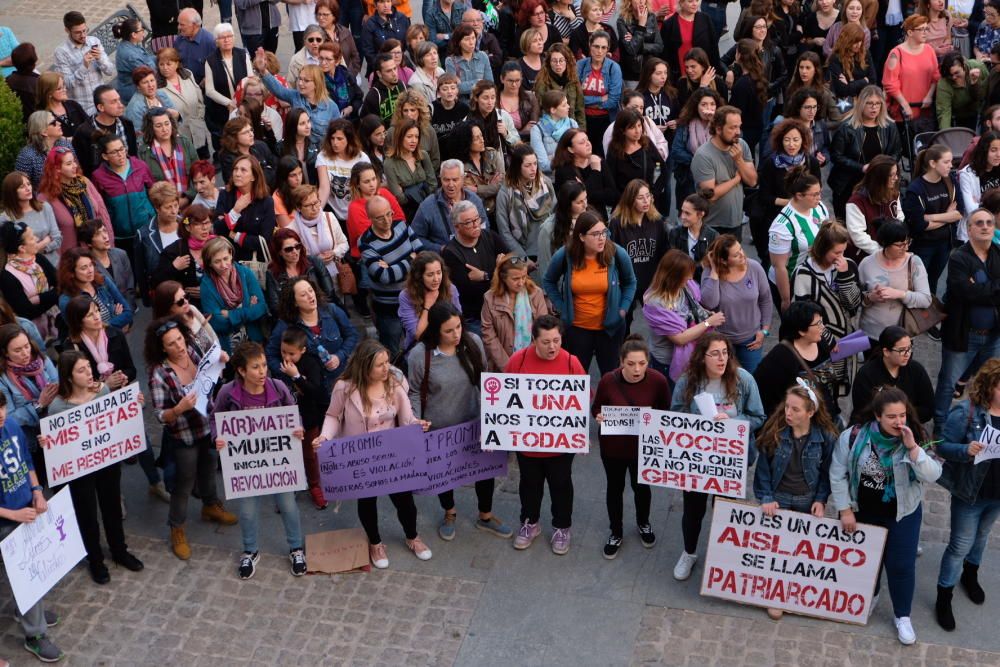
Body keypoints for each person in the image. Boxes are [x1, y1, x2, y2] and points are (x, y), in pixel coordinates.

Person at [831, 386, 941, 645]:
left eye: (902, 415)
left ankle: (902, 615)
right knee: (867, 562)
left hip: (902, 514)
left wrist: (913, 449)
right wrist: (845, 508)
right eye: (891, 416)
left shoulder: (914, 438)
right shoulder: (854, 436)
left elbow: (933, 474)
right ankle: (870, 597)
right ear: (878, 416)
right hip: (863, 511)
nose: (899, 421)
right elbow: (838, 472)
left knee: (901, 566)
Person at [313, 338, 432, 568]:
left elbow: (407, 417)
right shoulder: (344, 388)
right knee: (367, 502)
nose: (386, 368)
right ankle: (375, 543)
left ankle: (413, 536)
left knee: (405, 501)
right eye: (380, 365)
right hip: (361, 459)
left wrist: (418, 424)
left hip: (392, 457)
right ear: (365, 366)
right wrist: (325, 437)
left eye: (387, 362)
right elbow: (333, 416)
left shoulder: (394, 384)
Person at [406, 302, 512, 540]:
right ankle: (450, 512)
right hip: (440, 429)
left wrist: (493, 417)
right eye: (448, 331)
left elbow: (485, 380)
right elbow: (414, 390)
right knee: (444, 475)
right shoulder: (419, 356)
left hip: (475, 424)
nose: (456, 335)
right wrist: (414, 421)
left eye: (458, 328)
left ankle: (485, 515)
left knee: (485, 472)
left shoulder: (473, 342)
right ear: (435, 331)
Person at [44, 349, 145, 584]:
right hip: (80, 471)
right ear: (68, 377)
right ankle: (95, 560)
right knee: (86, 514)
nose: (89, 373)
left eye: (88, 367)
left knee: (111, 507)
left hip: (107, 462)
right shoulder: (58, 408)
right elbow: (58, 442)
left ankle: (119, 550)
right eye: (81, 370)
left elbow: (117, 420)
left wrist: (134, 404)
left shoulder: (103, 391)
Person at [671, 332, 765, 579]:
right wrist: (698, 424)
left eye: (725, 353)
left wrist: (733, 420)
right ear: (702, 358)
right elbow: (675, 416)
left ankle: (724, 558)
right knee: (693, 509)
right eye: (715, 353)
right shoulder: (687, 382)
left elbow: (758, 417)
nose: (721, 358)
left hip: (731, 461)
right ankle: (689, 553)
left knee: (726, 509)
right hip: (697, 460)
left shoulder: (743, 379)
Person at [211, 341, 307, 579]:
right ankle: (250, 551)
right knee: (246, 511)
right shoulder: (227, 393)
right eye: (255, 367)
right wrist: (217, 437)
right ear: (242, 371)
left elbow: (294, 414)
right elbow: (215, 419)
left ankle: (296, 548)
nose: (262, 371)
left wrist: (298, 429)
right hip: (245, 466)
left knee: (288, 506)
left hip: (278, 463)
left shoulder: (278, 387)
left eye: (264, 365)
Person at [147, 317, 238, 561]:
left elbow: (210, 375)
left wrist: (221, 362)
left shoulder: (192, 353)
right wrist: (178, 409)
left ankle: (210, 506)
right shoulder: (159, 374)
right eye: (171, 343)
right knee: (184, 484)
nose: (178, 346)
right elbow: (160, 415)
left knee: (209, 469)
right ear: (163, 348)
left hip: (208, 427)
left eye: (179, 339)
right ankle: (177, 528)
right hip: (184, 436)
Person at [751, 379, 836, 618]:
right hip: (778, 499)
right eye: (787, 407)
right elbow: (763, 470)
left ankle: (796, 593)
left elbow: (827, 472)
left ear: (811, 412)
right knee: (775, 550)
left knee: (800, 553)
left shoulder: (826, 438)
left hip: (806, 500)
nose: (788, 412)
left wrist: (821, 499)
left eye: (795, 409)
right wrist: (766, 497)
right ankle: (774, 595)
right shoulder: (775, 431)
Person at [503, 314, 586, 554]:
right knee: (529, 484)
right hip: (527, 443)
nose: (552, 347)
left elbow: (580, 401)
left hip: (560, 444)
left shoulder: (572, 363)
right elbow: (502, 400)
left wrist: (578, 435)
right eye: (546, 342)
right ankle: (530, 523)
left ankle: (562, 527)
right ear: (534, 341)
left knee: (561, 484)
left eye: (556, 341)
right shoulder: (517, 361)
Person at [0, 389, 65, 663]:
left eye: (1, 409)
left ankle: (29, 610)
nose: (1, 416)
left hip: (25, 509)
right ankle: (34, 634)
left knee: (31, 570)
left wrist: (37, 490)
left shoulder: (10, 424)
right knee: (24, 573)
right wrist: (12, 515)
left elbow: (26, 460)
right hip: (8, 520)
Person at [591, 334, 670, 558]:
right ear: (621, 362)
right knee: (614, 489)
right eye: (631, 364)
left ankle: (643, 523)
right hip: (613, 448)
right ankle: (615, 532)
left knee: (642, 488)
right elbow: (596, 407)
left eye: (642, 364)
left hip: (643, 449)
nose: (637, 369)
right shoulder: (608, 380)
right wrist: (598, 416)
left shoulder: (658, 381)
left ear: (648, 362)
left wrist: (655, 419)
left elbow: (665, 411)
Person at [935, 358, 1000, 630]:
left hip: (996, 495)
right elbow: (941, 447)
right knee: (960, 545)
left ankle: (970, 576)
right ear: (989, 385)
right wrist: (965, 450)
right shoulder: (966, 413)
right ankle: (944, 596)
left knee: (982, 537)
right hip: (970, 493)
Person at [544, 212, 637, 374]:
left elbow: (631, 282)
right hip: (577, 329)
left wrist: (623, 309)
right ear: (581, 237)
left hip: (610, 329)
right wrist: (562, 307)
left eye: (604, 232)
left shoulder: (616, 253)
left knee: (611, 376)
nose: (602, 238)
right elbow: (548, 281)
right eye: (595, 234)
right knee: (576, 376)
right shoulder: (566, 254)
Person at [934, 208, 1000, 432]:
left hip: (993, 335)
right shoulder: (959, 258)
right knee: (947, 384)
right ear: (969, 229)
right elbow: (965, 292)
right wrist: (993, 288)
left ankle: (980, 427)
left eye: (989, 223)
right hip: (964, 333)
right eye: (979, 223)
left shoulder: (998, 254)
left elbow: (977, 292)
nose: (985, 227)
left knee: (988, 384)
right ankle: (940, 431)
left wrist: (981, 287)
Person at [792, 219, 863, 376]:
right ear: (822, 249)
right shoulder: (803, 274)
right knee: (822, 388)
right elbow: (804, 316)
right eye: (836, 253)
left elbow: (853, 305)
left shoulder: (849, 265)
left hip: (846, 341)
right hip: (818, 344)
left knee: (841, 384)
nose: (841, 257)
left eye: (843, 251)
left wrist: (844, 275)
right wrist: (829, 341)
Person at [751, 119, 822, 267]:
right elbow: (764, 196)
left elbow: (817, 191)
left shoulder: (811, 163)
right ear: (780, 141)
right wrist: (791, 203)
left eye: (796, 140)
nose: (791, 144)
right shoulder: (771, 163)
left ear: (803, 140)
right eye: (787, 140)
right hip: (775, 217)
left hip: (804, 218)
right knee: (773, 262)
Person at [361, 196, 425, 357]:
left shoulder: (402, 225)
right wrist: (411, 258)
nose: (387, 220)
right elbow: (385, 276)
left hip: (414, 300)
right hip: (388, 307)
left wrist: (394, 266)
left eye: (389, 214)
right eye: (380, 217)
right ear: (370, 218)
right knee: (392, 350)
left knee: (418, 345)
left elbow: (422, 256)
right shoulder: (366, 242)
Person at [829, 85, 902, 221]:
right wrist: (861, 167)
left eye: (877, 104)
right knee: (847, 225)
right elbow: (836, 156)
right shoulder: (847, 127)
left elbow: (896, 152)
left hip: (879, 182)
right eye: (869, 103)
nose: (873, 107)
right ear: (861, 104)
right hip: (849, 183)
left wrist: (882, 167)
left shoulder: (889, 126)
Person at [700, 235, 772, 373]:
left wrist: (764, 330)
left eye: (741, 249)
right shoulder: (709, 273)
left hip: (750, 340)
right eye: (736, 255)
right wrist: (714, 271)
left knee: (752, 380)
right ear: (723, 261)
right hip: (720, 341)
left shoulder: (754, 268)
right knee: (724, 382)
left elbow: (766, 300)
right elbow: (709, 303)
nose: (742, 255)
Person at [857, 220, 933, 344]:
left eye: (907, 242)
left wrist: (899, 294)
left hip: (901, 336)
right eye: (900, 245)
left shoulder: (914, 262)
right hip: (870, 332)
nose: (906, 248)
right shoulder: (867, 263)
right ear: (885, 243)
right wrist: (870, 297)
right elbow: (855, 299)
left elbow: (925, 300)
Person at [904, 146, 962, 298]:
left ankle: (931, 314)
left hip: (945, 244)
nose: (951, 165)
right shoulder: (915, 190)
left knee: (933, 281)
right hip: (923, 246)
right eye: (946, 162)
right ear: (933, 163)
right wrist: (947, 216)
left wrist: (931, 217)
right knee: (918, 284)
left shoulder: (951, 181)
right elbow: (919, 225)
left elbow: (959, 213)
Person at [767, 169, 828, 313]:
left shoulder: (819, 208)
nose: (819, 198)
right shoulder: (783, 225)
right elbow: (780, 267)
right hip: (791, 282)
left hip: (812, 278)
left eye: (820, 192)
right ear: (799, 196)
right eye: (815, 194)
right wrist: (786, 300)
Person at [442, 200, 509, 332]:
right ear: (457, 227)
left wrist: (485, 275)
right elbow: (469, 288)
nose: (475, 225)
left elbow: (512, 264)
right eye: (468, 222)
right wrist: (498, 269)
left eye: (477, 219)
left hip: (502, 307)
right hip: (475, 318)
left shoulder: (490, 236)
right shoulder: (450, 253)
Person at [691, 105, 757, 238]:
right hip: (712, 225)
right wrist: (737, 179)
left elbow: (752, 181)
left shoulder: (741, 145)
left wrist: (739, 161)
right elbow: (711, 195)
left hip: (736, 223)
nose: (738, 132)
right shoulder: (703, 155)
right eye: (732, 127)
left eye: (739, 126)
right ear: (719, 129)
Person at [609, 178, 668, 328]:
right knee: (623, 324)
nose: (646, 201)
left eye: (648, 196)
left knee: (660, 322)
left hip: (651, 282)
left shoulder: (657, 221)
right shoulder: (617, 223)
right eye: (641, 198)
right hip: (627, 282)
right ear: (630, 200)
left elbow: (664, 251)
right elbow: (611, 256)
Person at [0, 322, 58, 467]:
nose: (25, 353)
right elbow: (9, 417)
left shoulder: (42, 360)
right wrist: (39, 404)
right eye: (17, 350)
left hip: (57, 431)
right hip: (30, 443)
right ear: (5, 352)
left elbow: (60, 387)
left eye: (27, 346)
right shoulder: (2, 379)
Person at [851, 326, 934, 425]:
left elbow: (928, 409)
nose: (907, 354)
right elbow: (862, 412)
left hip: (909, 428)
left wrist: (901, 417)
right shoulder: (866, 374)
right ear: (886, 352)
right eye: (901, 350)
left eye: (910, 348)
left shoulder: (916, 370)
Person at [37, 146, 113, 253]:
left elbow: (103, 216)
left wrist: (110, 244)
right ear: (57, 169)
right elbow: (46, 234)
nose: (75, 166)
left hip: (97, 251)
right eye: (69, 164)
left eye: (74, 161)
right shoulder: (45, 197)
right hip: (69, 258)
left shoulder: (84, 183)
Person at [200, 237, 268, 353]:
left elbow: (261, 308)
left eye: (225, 258)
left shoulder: (245, 273)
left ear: (231, 254)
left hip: (254, 339)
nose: (224, 265)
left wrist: (231, 315)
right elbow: (216, 323)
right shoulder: (206, 285)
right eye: (217, 261)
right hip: (228, 347)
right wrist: (249, 311)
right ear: (209, 263)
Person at [883, 15, 941, 144]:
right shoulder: (896, 53)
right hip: (903, 112)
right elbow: (890, 83)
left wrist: (929, 96)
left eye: (927, 29)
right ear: (910, 32)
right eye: (922, 29)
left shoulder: (929, 50)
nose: (926, 33)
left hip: (925, 109)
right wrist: (904, 104)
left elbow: (935, 76)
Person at [412, 160, 490, 252]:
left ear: (462, 179)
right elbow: (415, 238)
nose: (451, 184)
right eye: (446, 180)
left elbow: (485, 228)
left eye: (455, 179)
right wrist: (441, 249)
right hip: (444, 261)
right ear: (440, 179)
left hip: (474, 253)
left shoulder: (474, 200)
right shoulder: (427, 206)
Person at [0, 223, 59, 342]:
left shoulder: (38, 259)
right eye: (32, 238)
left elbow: (62, 284)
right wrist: (54, 295)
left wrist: (38, 299)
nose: (37, 239)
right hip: (34, 334)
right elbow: (26, 311)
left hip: (57, 322)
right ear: (22, 248)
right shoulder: (7, 276)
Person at [214, 154, 276, 264]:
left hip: (254, 261)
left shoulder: (266, 201)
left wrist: (234, 235)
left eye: (243, 170)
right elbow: (218, 229)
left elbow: (264, 241)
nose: (237, 174)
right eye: (235, 169)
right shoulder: (225, 195)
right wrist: (235, 210)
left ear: (253, 176)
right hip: (228, 260)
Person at [151, 204, 214, 309]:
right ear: (188, 227)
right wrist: (173, 268)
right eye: (198, 224)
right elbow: (156, 282)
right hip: (187, 309)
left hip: (216, 306)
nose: (204, 228)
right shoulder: (174, 251)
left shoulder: (217, 245)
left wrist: (208, 290)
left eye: (207, 222)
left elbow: (231, 275)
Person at [398, 251, 463, 352]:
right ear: (419, 276)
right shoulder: (406, 296)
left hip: (448, 347)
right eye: (430, 275)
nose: (436, 279)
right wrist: (428, 305)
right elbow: (418, 335)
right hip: (421, 351)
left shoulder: (450, 289)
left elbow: (459, 322)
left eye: (439, 272)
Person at [53, 11, 115, 116]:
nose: (83, 35)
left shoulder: (94, 41)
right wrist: (84, 66)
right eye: (78, 32)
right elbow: (68, 85)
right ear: (67, 31)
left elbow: (110, 71)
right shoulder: (61, 52)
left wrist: (100, 59)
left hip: (102, 101)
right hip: (82, 108)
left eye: (85, 30)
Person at [57, 247, 133, 332]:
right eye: (84, 268)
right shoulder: (67, 300)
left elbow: (128, 312)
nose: (90, 270)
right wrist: (117, 321)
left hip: (116, 341)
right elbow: (82, 332)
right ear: (71, 273)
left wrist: (105, 326)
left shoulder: (103, 281)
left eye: (91, 265)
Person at [844, 155, 904, 262]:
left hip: (891, 253)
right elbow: (858, 236)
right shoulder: (856, 202)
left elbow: (899, 216)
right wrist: (882, 251)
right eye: (892, 175)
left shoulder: (893, 193)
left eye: (896, 174)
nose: (896, 178)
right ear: (879, 178)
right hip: (866, 258)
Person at [71, 86, 138, 179]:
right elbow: (85, 166)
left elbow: (133, 154)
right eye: (114, 102)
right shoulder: (84, 133)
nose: (120, 105)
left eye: (119, 100)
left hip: (130, 177)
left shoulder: (126, 124)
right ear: (101, 107)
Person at [204, 24, 252, 151]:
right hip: (222, 111)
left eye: (229, 36)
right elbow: (209, 90)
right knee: (227, 142)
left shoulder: (243, 55)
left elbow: (250, 80)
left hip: (243, 106)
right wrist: (228, 103)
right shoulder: (210, 60)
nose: (226, 40)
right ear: (216, 42)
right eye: (222, 37)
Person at [157, 47, 211, 160]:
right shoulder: (158, 88)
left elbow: (200, 98)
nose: (165, 68)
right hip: (180, 135)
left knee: (204, 161)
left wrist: (200, 117)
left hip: (197, 128)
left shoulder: (188, 75)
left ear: (177, 64)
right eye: (161, 64)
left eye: (168, 64)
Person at [669, 87, 719, 207]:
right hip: (689, 179)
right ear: (696, 106)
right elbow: (676, 151)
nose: (709, 108)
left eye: (713, 104)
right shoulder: (686, 124)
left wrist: (715, 123)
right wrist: (699, 162)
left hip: (715, 179)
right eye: (704, 104)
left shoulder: (720, 126)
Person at [550, 128, 619, 214]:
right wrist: (595, 172)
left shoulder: (598, 161)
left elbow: (612, 196)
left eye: (587, 140)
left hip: (600, 218)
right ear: (571, 149)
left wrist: (588, 191)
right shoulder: (564, 170)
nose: (588, 144)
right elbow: (576, 198)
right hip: (577, 220)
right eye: (582, 142)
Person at [577, 31, 622, 158]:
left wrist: (587, 102)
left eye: (603, 47)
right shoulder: (580, 66)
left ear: (608, 49)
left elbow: (613, 101)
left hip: (605, 120)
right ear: (589, 45)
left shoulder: (614, 68)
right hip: (583, 119)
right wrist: (600, 99)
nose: (599, 51)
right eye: (596, 46)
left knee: (602, 156)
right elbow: (575, 98)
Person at [316, 119, 371, 224]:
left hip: (357, 210)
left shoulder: (362, 158)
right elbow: (324, 188)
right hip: (333, 211)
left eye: (339, 139)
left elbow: (368, 186)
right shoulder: (323, 156)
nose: (335, 143)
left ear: (349, 139)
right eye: (332, 138)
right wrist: (317, 212)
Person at [0, 172, 60, 266]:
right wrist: (45, 241)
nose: (28, 189)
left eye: (28, 184)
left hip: (53, 264)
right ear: (11, 192)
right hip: (26, 269)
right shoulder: (5, 218)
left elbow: (57, 238)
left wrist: (31, 249)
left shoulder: (44, 207)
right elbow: (13, 252)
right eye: (22, 187)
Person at [383, 120, 438, 221]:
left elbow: (433, 184)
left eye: (416, 137)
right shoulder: (389, 163)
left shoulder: (423, 155)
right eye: (409, 137)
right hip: (410, 214)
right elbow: (400, 198)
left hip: (430, 207)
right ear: (400, 138)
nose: (414, 141)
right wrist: (421, 190)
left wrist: (407, 191)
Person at [455, 120, 504, 216]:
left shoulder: (492, 154)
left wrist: (478, 189)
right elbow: (468, 193)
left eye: (481, 135)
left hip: (499, 209)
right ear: (467, 141)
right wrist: (491, 186)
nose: (482, 140)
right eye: (476, 138)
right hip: (476, 212)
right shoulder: (460, 166)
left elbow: (502, 185)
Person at [14, 111, 71, 191]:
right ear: (44, 132)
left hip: (70, 193)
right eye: (53, 122)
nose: (59, 123)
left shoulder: (65, 144)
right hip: (43, 199)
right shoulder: (27, 156)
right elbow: (22, 187)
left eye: (57, 119)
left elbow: (76, 169)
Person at [666, 193, 718, 281]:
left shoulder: (713, 236)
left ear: (700, 215)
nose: (682, 216)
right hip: (679, 284)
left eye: (687, 213)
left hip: (704, 284)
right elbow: (672, 264)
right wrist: (701, 264)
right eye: (682, 211)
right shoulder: (675, 233)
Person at [533, 44, 585, 129]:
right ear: (549, 63)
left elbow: (580, 109)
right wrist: (549, 131)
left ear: (567, 61)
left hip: (572, 128)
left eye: (561, 60)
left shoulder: (573, 80)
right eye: (554, 61)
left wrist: (581, 131)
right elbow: (541, 111)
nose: (558, 64)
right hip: (552, 130)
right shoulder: (542, 82)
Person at [959, 131, 1000, 232]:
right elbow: (972, 211)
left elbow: (976, 206)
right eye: (993, 150)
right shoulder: (967, 174)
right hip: (977, 229)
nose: (998, 155)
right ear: (984, 151)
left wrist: (981, 204)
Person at [937, 53, 989, 130]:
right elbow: (944, 113)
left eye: (956, 73)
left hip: (981, 109)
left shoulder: (977, 67)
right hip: (960, 115)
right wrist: (945, 135)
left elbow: (989, 90)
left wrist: (975, 83)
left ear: (964, 66)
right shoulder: (944, 83)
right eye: (950, 75)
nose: (954, 77)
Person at [124, 66, 178, 140]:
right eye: (145, 82)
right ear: (138, 86)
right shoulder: (135, 107)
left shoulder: (161, 94)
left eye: (152, 80)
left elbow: (175, 117)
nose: (150, 85)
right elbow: (139, 137)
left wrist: (176, 115)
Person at [360, 0, 411, 73]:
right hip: (381, 68)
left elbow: (409, 44)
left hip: (402, 64)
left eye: (388, 1)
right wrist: (382, 67)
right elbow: (368, 52)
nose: (386, 5)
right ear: (375, 4)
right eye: (381, 2)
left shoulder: (402, 18)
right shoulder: (369, 25)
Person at [112, 18, 155, 105]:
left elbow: (148, 59)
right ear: (134, 35)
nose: (143, 32)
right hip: (133, 93)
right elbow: (149, 72)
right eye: (141, 30)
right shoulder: (130, 55)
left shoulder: (130, 44)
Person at [315, 0, 362, 76]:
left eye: (325, 15)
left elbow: (355, 56)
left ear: (334, 15)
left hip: (347, 75)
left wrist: (350, 74)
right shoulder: (314, 36)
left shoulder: (345, 32)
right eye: (319, 14)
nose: (321, 17)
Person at [37, 72, 88, 140]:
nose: (65, 90)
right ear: (49, 93)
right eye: (59, 88)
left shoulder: (73, 104)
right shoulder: (43, 116)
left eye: (64, 86)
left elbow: (89, 124)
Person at [175, 8, 216, 84]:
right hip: (184, 84)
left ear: (194, 25)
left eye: (182, 24)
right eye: (179, 24)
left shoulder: (210, 42)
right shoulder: (179, 40)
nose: (179, 27)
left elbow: (218, 69)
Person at [7, 43, 39, 123]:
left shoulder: (8, 80)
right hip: (39, 122)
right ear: (34, 61)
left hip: (20, 122)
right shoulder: (39, 82)